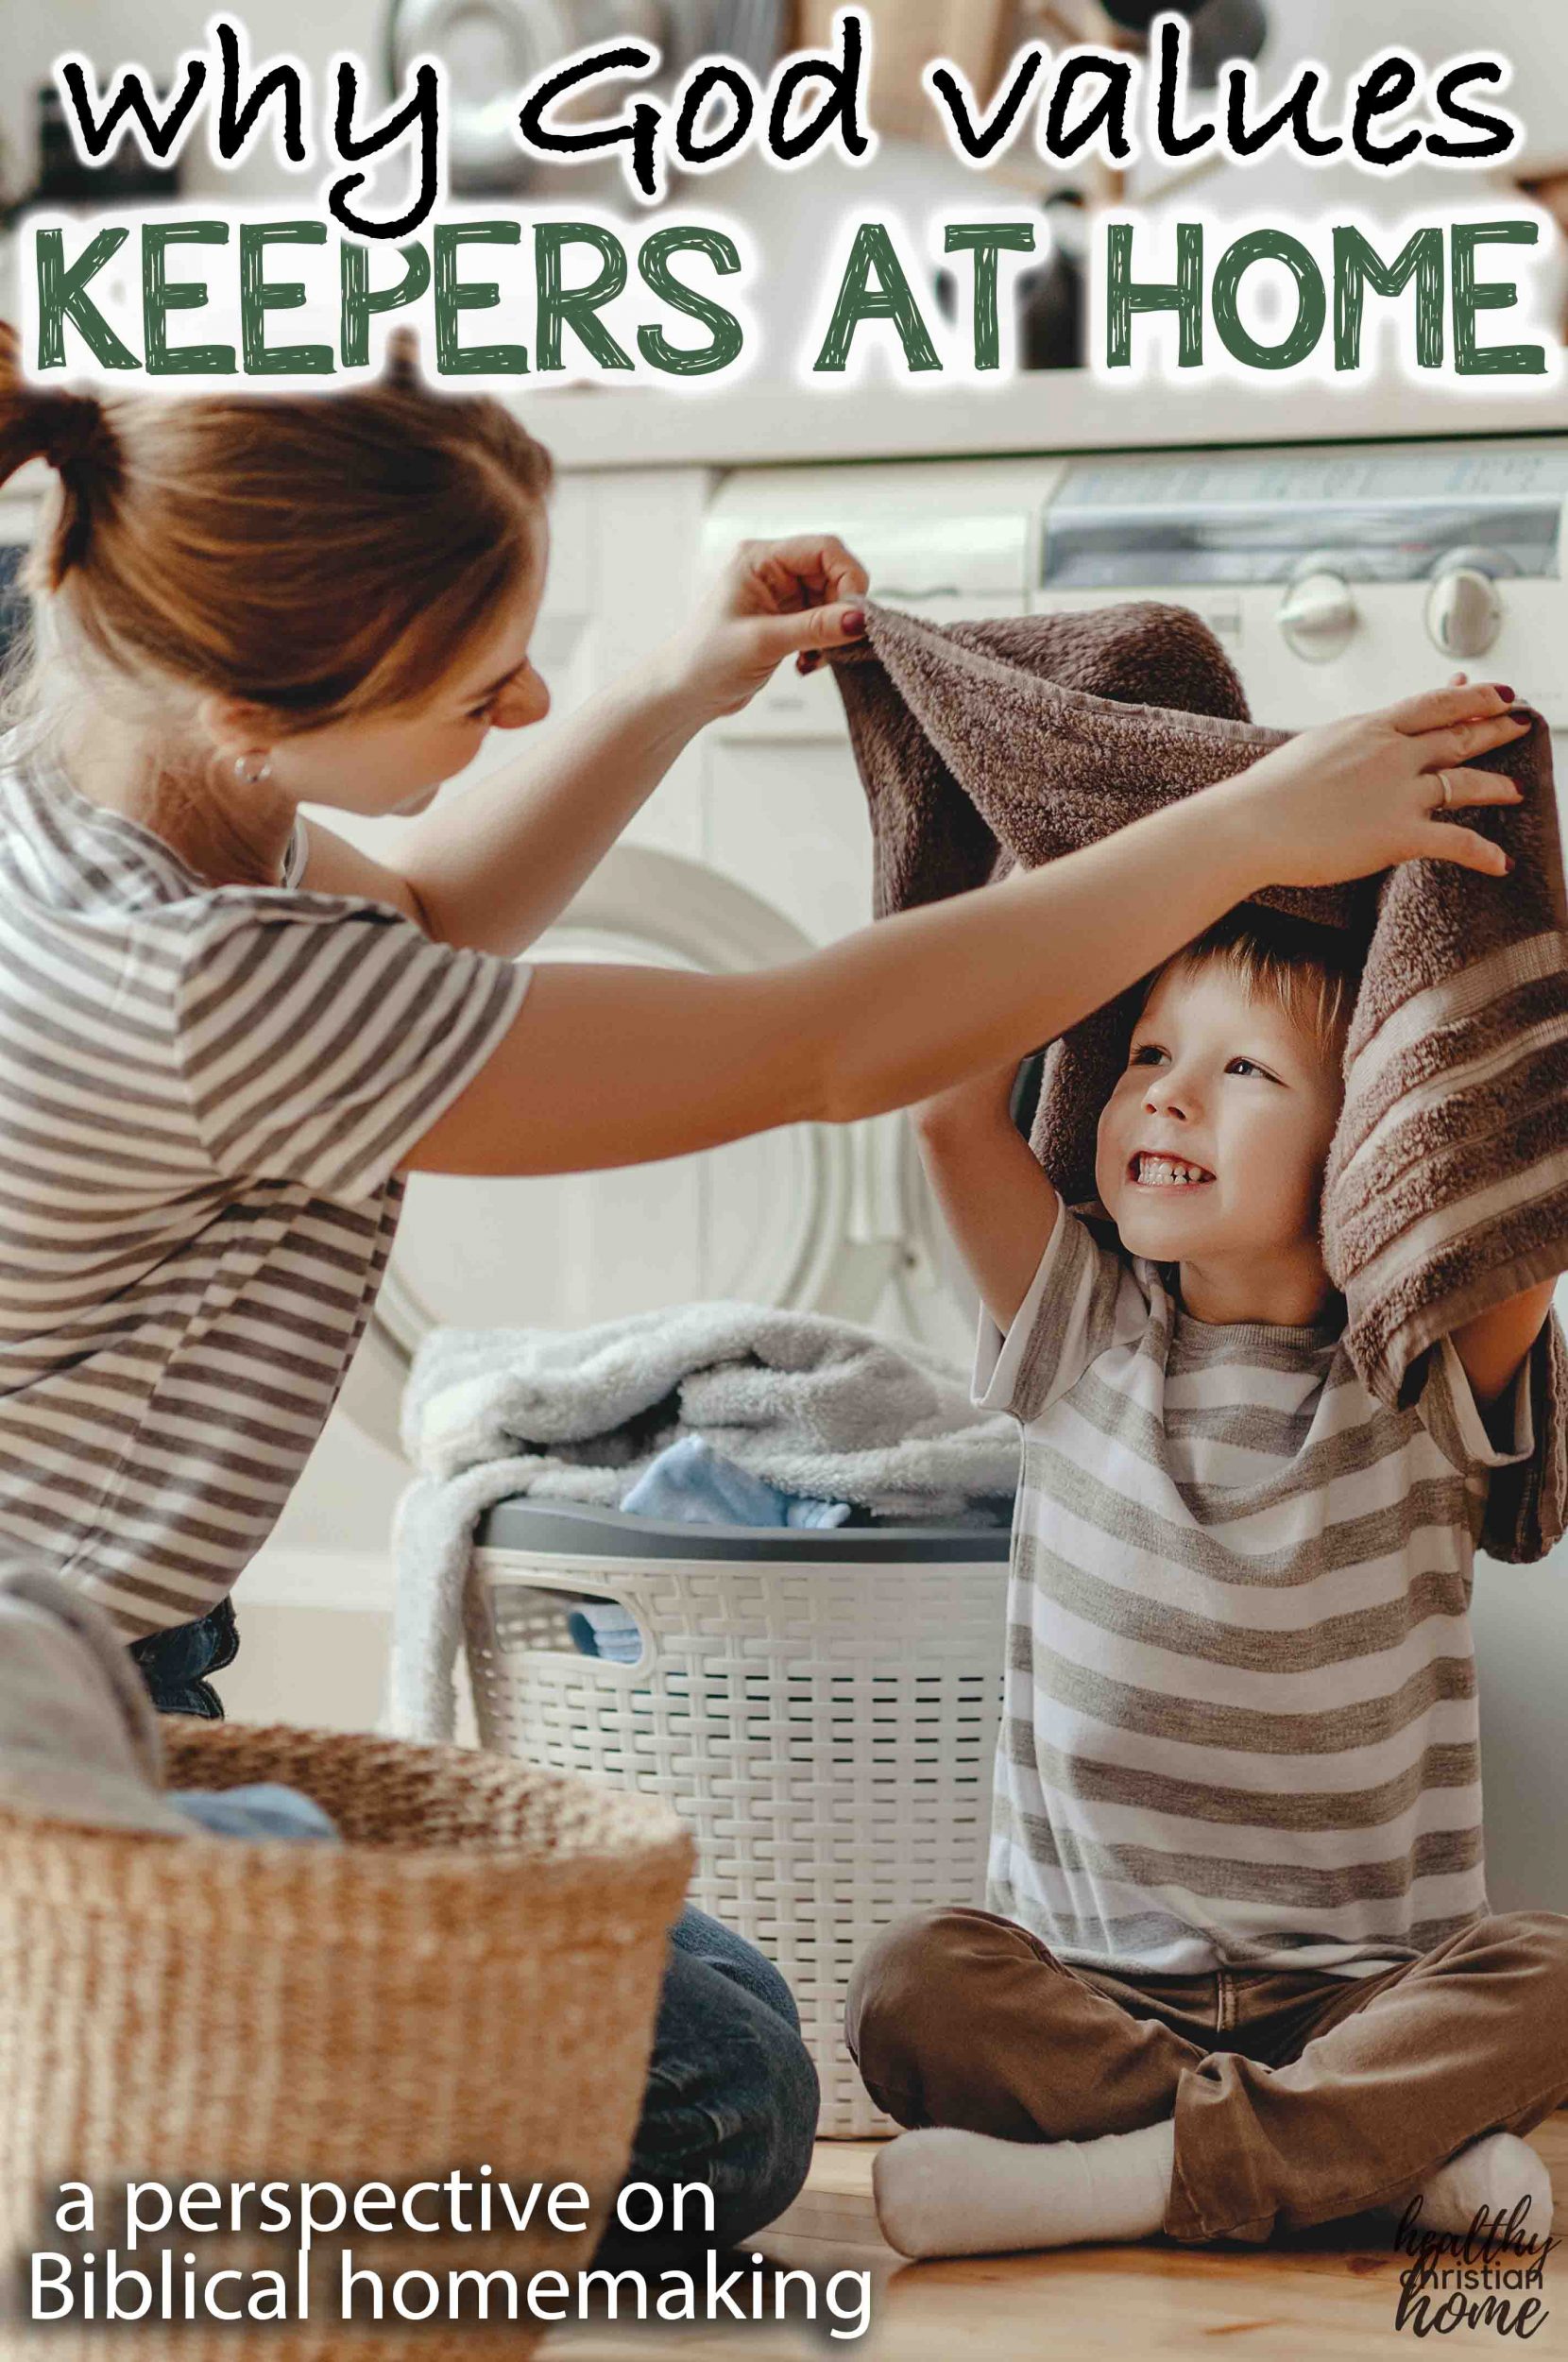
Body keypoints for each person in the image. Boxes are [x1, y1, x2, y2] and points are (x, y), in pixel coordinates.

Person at [0, 321, 1528, 2254]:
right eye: (484, 691)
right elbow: (813, 1048)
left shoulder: (95, 809)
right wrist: (1230, 827)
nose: (528, 695)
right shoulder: (208, 989)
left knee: (707, 2002)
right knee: (723, 2091)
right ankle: (98, 2060)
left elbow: (437, 913)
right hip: (60, 1687)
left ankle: (132, 2027)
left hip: (109, 1670)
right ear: (247, 708)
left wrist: (670, 684)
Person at [850, 907, 1568, 2262]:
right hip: (1089, 1990)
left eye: (1244, 1071)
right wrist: (1094, 859)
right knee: (914, 1991)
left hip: (1362, 1995)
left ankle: (1120, 2180)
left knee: (1557, 1980)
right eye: (1147, 1053)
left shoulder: (1417, 1379)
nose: (1168, 1092)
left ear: (1368, 1139)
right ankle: (1355, 2155)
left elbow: (1524, 1176)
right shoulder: (1079, 1332)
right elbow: (951, 1115)